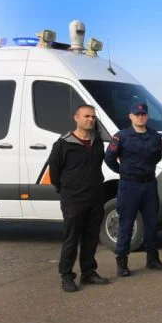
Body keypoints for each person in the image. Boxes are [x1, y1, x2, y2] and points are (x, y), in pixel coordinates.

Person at [48, 104, 110, 292]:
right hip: (73, 199)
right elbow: (54, 173)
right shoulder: (63, 144)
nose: (90, 120)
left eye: (93, 117)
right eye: (86, 116)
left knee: (91, 238)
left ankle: (88, 272)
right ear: (76, 118)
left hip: (95, 197)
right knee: (72, 239)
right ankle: (66, 276)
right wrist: (66, 190)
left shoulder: (97, 142)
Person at [103, 101, 162, 276]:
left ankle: (152, 259)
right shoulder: (121, 136)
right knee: (126, 223)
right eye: (137, 114)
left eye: (143, 114)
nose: (140, 117)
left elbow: (157, 156)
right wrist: (123, 171)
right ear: (130, 116)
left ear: (147, 116)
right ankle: (122, 261)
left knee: (152, 223)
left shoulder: (155, 136)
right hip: (129, 185)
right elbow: (109, 158)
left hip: (149, 184)